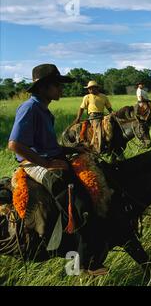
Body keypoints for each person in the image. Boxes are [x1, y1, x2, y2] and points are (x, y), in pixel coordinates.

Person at [8, 64, 108, 275]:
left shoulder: (43, 109)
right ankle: (80, 262)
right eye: (57, 85)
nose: (61, 89)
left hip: (48, 157)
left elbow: (47, 145)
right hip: (33, 163)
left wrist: (72, 148)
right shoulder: (30, 108)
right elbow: (14, 145)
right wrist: (46, 164)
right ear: (43, 87)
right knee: (78, 201)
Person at [74, 81, 113, 153]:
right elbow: (81, 108)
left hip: (102, 115)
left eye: (92, 88)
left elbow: (109, 108)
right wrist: (78, 118)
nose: (90, 90)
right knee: (98, 128)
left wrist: (113, 114)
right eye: (89, 89)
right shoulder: (87, 97)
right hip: (93, 117)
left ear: (97, 88)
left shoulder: (104, 96)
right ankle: (98, 148)